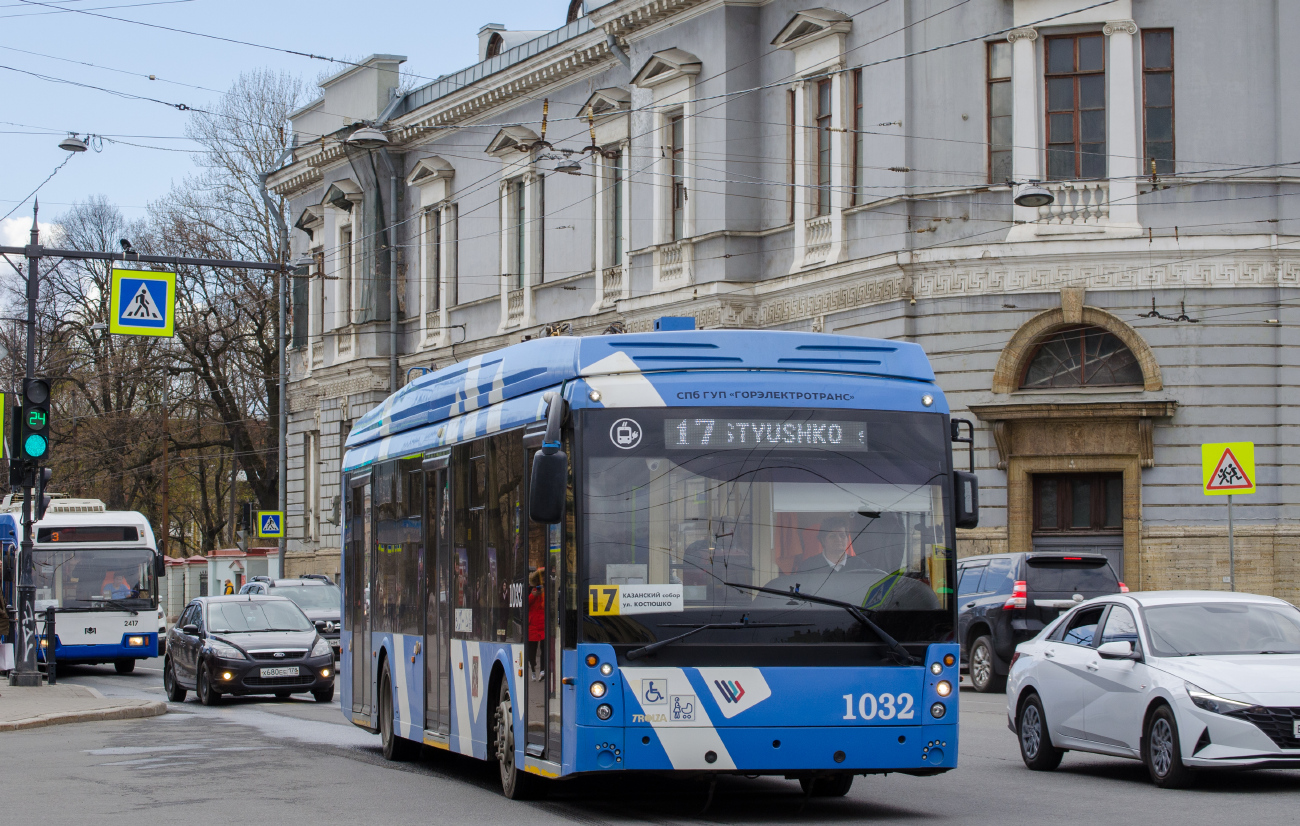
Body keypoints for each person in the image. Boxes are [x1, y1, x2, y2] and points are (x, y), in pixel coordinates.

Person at [527, 567, 545, 680]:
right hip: (532, 626)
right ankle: (533, 668)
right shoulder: (531, 590)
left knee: (544, 649)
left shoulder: (546, 590)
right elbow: (526, 604)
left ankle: (542, 670)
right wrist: (533, 595)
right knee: (531, 652)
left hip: (543, 625)